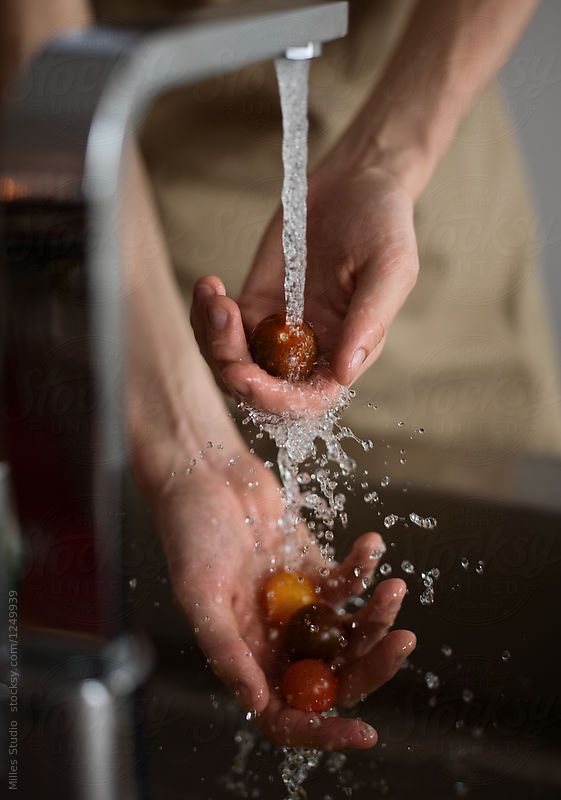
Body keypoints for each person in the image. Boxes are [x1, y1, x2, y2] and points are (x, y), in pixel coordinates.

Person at [3, 0, 559, 751]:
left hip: (416, 128)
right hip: (144, 219)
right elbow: (46, 59)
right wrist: (189, 449)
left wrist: (384, 156)